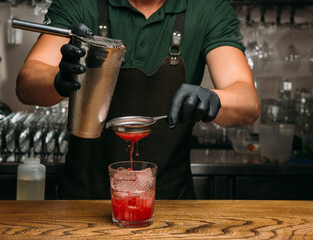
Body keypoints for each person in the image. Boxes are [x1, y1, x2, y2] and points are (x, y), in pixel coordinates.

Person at [16, 0, 260, 199]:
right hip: (82, 203)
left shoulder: (207, 7)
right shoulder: (81, 3)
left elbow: (247, 103)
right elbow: (26, 83)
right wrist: (60, 79)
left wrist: (213, 99)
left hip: (172, 205)